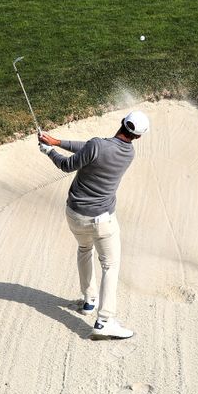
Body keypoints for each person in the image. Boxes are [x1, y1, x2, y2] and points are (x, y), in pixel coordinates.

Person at [38, 110, 150, 341]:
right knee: (110, 266)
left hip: (75, 216)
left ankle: (89, 301)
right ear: (138, 137)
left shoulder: (98, 145)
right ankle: (104, 321)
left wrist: (50, 150)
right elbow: (87, 150)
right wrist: (57, 142)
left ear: (122, 123)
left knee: (84, 250)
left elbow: (72, 161)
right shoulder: (129, 154)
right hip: (102, 221)